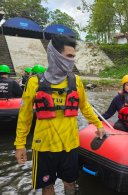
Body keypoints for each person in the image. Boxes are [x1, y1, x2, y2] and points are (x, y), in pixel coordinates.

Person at [14, 35, 105, 195]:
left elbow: (84, 106)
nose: (71, 61)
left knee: (70, 182)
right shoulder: (35, 83)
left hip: (69, 145)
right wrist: (20, 144)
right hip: (43, 147)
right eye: (68, 56)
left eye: (73, 57)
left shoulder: (76, 81)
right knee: (47, 186)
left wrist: (98, 124)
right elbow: (25, 116)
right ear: (54, 54)